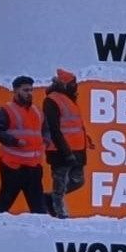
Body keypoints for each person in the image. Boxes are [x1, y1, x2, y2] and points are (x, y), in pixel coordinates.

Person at [0, 75, 48, 213]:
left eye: (31, 90)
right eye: (25, 90)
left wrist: (47, 139)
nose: (29, 93)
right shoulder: (5, 110)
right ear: (15, 91)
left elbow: (45, 129)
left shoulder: (37, 111)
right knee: (4, 202)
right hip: (13, 166)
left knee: (39, 208)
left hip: (34, 166)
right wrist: (14, 141)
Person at [43, 69, 88, 218]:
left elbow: (74, 125)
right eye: (73, 83)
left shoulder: (69, 99)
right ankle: (59, 215)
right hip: (60, 150)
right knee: (60, 183)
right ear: (64, 84)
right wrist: (66, 152)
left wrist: (86, 139)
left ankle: (51, 198)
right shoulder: (52, 100)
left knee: (78, 181)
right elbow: (54, 129)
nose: (75, 86)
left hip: (77, 149)